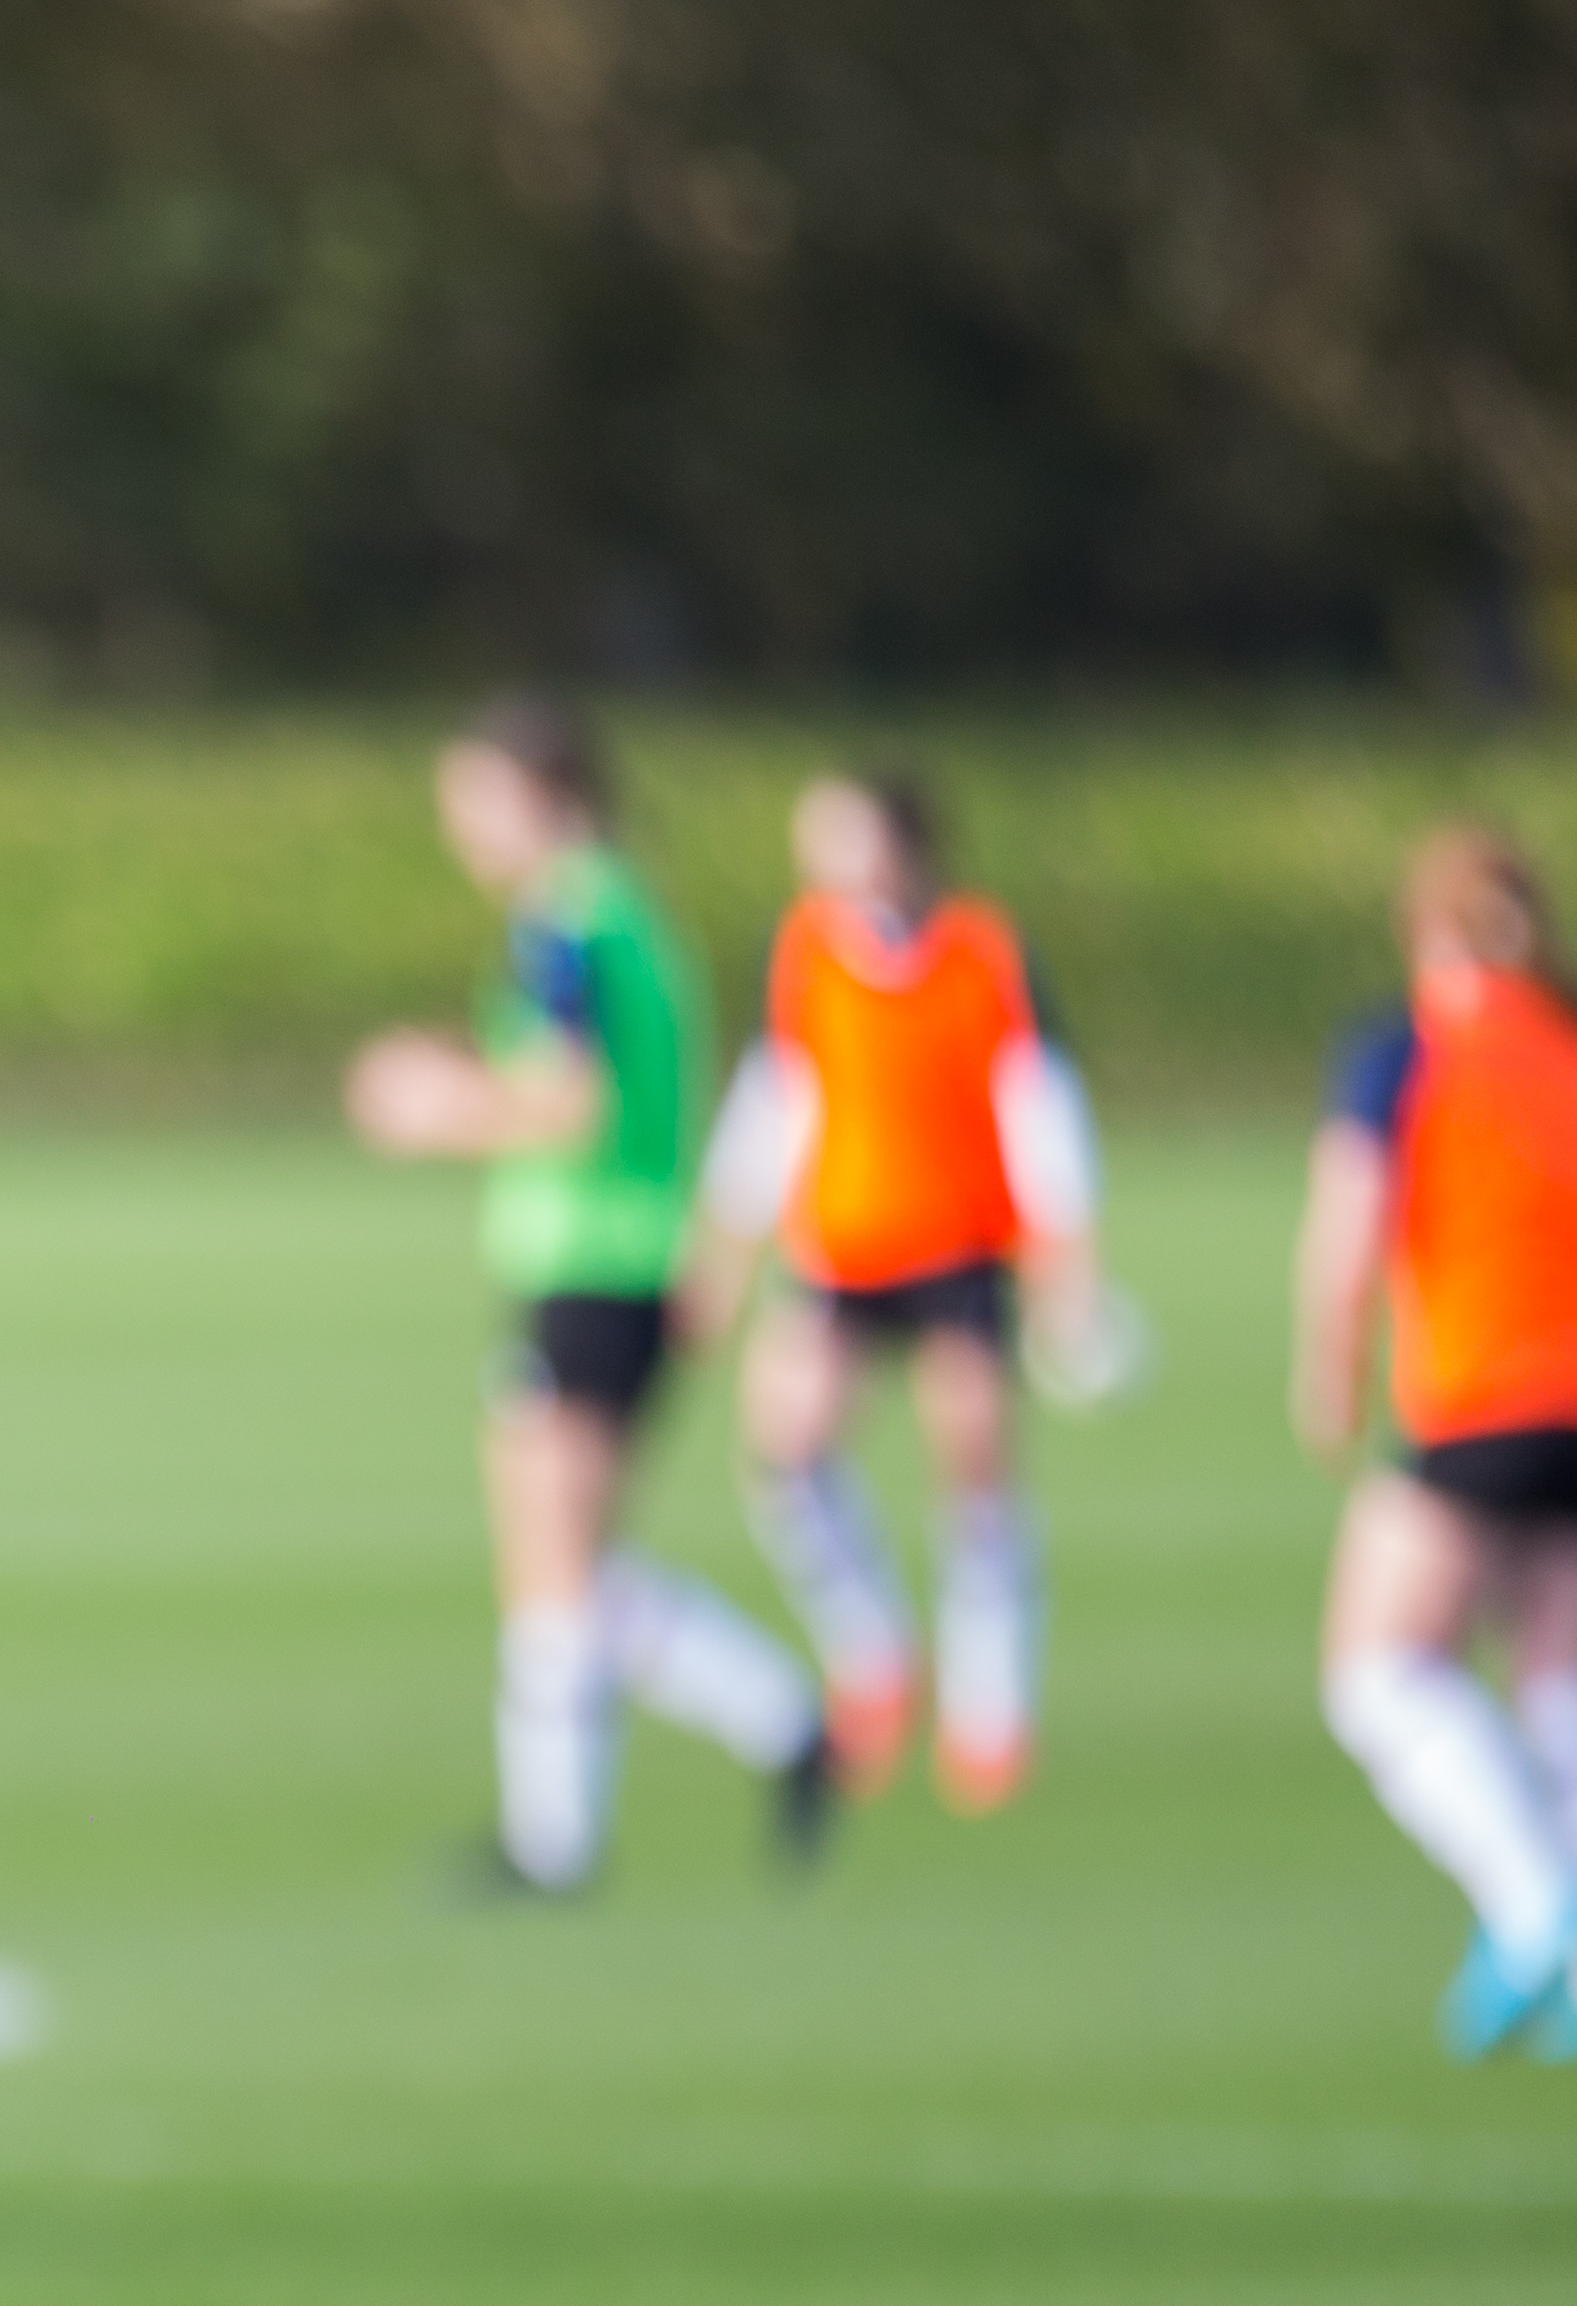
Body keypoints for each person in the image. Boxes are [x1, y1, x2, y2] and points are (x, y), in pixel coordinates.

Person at [346, 692, 831, 1894]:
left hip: (591, 1268)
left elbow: (571, 1099)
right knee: (569, 1562)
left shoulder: (565, 924)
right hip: (626, 1266)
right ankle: (767, 1726)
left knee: (554, 1563)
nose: (460, 827)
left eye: (475, 799)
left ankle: (566, 1834)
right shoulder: (630, 914)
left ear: (543, 794)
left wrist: (433, 1106)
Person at [692, 770, 1103, 1813]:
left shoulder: (983, 952)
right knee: (787, 1452)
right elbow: (776, 1096)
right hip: (842, 1246)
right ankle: (872, 1654)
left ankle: (989, 1709)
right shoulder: (806, 949)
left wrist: (1066, 1260)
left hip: (959, 1245)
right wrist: (725, 1251)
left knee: (973, 1469)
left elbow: (1039, 1108)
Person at [1292, 824, 1577, 2069]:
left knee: (1379, 1670)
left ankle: (1534, 1906)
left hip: (1484, 1398)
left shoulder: (1403, 1047)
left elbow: (1350, 1216)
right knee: (1568, 1686)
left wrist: (1330, 1365)